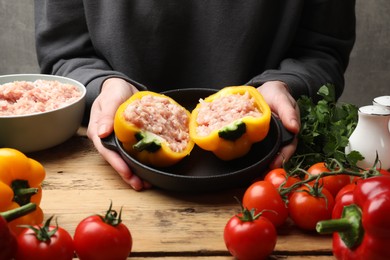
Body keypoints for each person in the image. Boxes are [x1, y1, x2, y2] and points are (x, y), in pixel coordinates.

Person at [34, 0, 356, 190]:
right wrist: (101, 85)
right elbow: (66, 51)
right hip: (112, 175)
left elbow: (322, 48)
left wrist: (289, 83)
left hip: (271, 176)